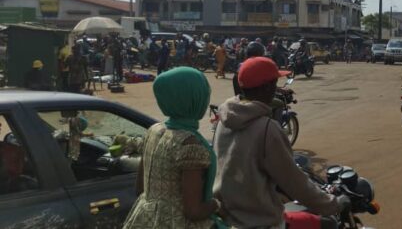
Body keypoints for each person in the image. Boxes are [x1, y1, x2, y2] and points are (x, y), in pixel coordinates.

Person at [213, 58, 348, 228]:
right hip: (260, 222)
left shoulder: (223, 121)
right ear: (268, 87)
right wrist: (333, 204)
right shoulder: (267, 129)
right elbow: (295, 183)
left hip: (225, 218)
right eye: (275, 84)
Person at [123, 67, 222, 229]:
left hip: (143, 219)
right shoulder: (189, 144)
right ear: (194, 99)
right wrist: (217, 204)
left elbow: (140, 188)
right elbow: (193, 211)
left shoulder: (153, 131)